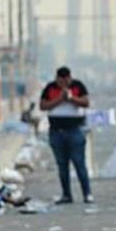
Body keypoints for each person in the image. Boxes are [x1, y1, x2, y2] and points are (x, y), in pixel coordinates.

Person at [39, 66, 93, 204]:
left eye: (66, 80)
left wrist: (70, 98)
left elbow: (86, 102)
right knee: (62, 165)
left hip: (74, 130)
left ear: (70, 78)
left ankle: (87, 193)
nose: (63, 83)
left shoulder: (78, 86)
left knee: (79, 163)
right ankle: (66, 195)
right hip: (56, 131)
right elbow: (43, 105)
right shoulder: (50, 88)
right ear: (57, 78)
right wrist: (59, 99)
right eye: (60, 80)